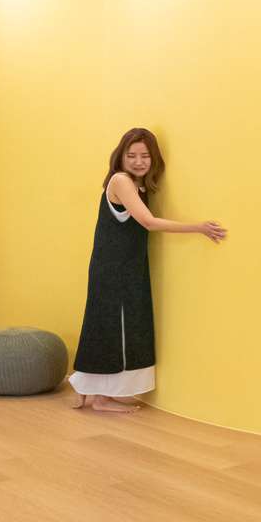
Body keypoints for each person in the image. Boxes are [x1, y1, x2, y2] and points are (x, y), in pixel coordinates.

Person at [70, 127, 227, 413]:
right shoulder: (121, 181)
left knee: (112, 325)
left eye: (145, 156)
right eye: (132, 155)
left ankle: (89, 388)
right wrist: (199, 227)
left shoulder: (139, 186)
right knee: (116, 327)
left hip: (126, 266)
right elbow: (148, 222)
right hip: (115, 268)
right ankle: (99, 397)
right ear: (121, 157)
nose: (139, 161)